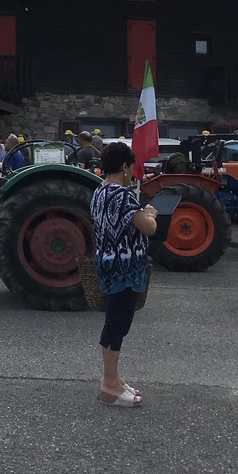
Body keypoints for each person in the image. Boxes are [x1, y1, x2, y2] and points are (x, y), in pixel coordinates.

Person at [88, 141, 158, 407]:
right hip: (124, 269)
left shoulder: (99, 191)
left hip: (106, 264)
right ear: (125, 166)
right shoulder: (123, 195)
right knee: (117, 325)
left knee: (115, 321)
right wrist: (150, 213)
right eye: (131, 166)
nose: (132, 172)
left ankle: (115, 379)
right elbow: (147, 227)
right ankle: (108, 384)